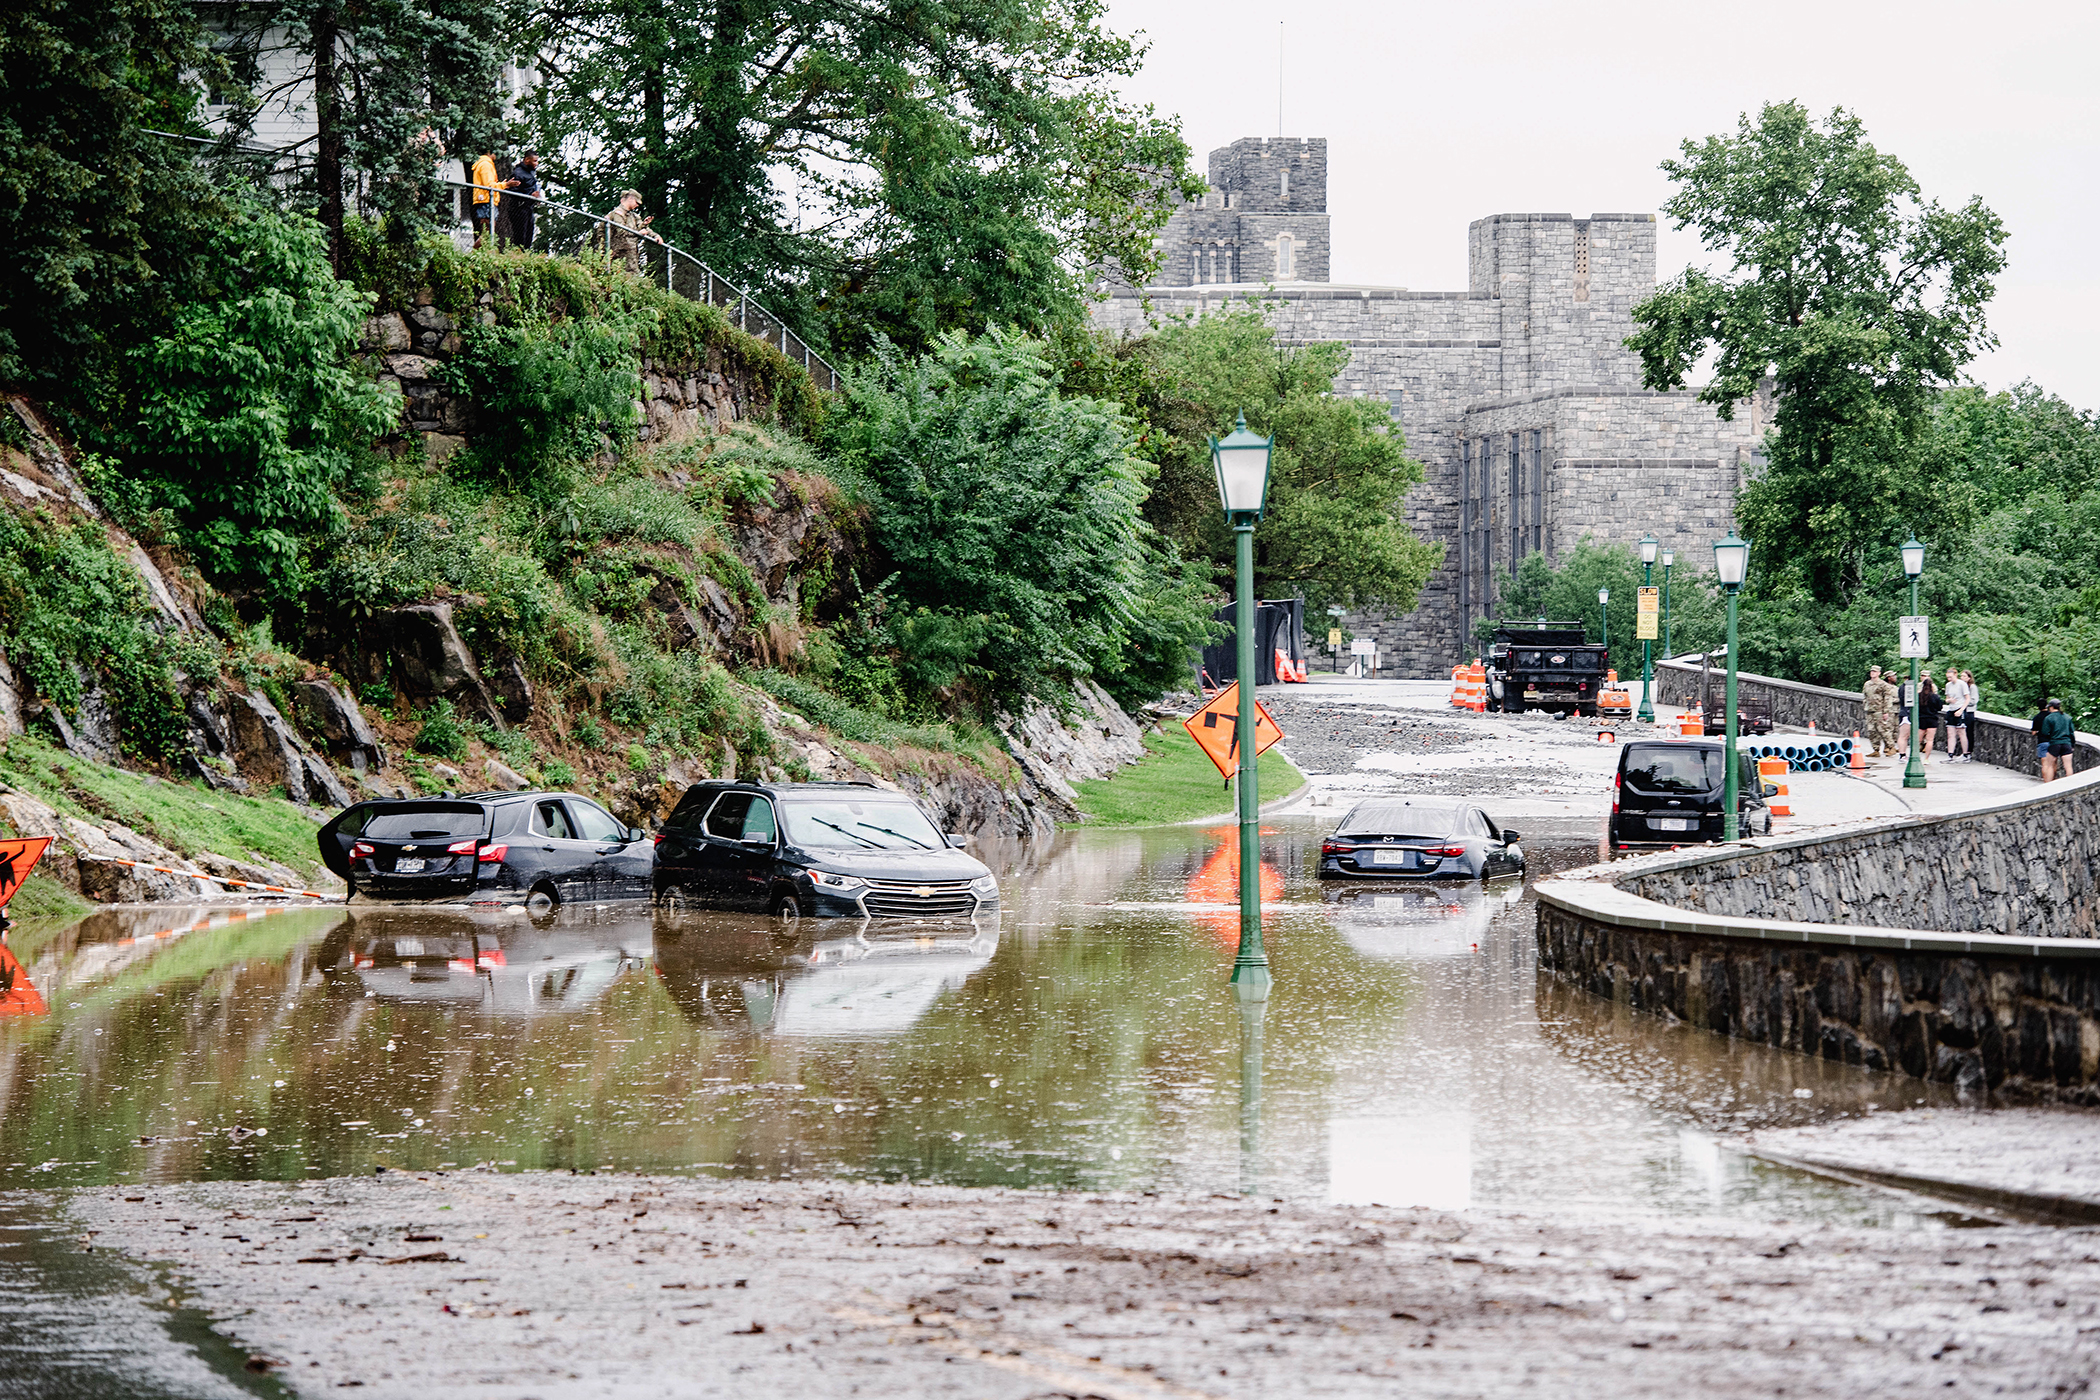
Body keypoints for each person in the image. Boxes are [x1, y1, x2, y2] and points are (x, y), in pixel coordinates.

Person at [598, 188, 662, 274]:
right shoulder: (617, 213)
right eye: (636, 202)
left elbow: (642, 228)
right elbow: (622, 232)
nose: (638, 205)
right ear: (630, 199)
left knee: (632, 276)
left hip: (630, 254)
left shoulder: (634, 216)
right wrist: (638, 233)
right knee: (624, 276)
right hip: (618, 254)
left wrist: (655, 235)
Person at [503, 150, 541, 251]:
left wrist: (536, 196)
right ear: (527, 160)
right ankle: (517, 257)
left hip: (528, 208)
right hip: (518, 208)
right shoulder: (518, 173)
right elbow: (513, 192)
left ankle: (525, 256)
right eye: (535, 161)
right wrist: (529, 195)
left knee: (529, 235)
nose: (536, 164)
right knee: (520, 236)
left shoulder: (531, 173)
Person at [469, 148, 504, 247]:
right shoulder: (486, 164)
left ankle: (478, 254)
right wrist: (505, 185)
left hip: (485, 201)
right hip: (486, 200)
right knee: (487, 233)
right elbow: (489, 185)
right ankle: (472, 255)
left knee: (487, 233)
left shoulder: (484, 163)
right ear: (490, 153)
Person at [1863, 665, 1898, 758]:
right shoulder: (1867, 684)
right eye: (1872, 671)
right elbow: (1865, 696)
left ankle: (1891, 747)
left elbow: (1887, 698)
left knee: (1883, 730)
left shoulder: (1883, 685)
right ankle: (1876, 749)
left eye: (1875, 671)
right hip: (1870, 710)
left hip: (1879, 710)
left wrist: (1886, 711)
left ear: (1879, 673)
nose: (1872, 673)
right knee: (1871, 730)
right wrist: (1865, 705)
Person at [2037, 698, 2075, 781]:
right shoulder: (2067, 717)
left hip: (2055, 743)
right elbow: (2071, 732)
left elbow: (2045, 732)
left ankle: (2049, 784)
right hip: (2066, 743)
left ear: (2051, 707)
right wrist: (2072, 745)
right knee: (2068, 766)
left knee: (2050, 765)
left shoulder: (2049, 718)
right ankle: (2070, 784)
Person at [1942, 666, 1972, 761]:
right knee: (1950, 733)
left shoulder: (1962, 684)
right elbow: (1947, 698)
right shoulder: (1948, 685)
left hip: (1960, 709)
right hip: (1951, 709)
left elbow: (1967, 698)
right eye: (1948, 677)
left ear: (1955, 675)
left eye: (1951, 677)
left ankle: (1965, 754)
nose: (1949, 679)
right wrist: (1949, 700)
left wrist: (1961, 709)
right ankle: (1950, 754)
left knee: (1961, 732)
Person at [1915, 674, 1942, 761]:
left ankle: (1916, 757)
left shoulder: (1918, 696)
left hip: (1921, 719)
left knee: (1918, 740)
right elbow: (1939, 707)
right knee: (1930, 740)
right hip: (1932, 719)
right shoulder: (1935, 697)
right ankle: (1926, 758)